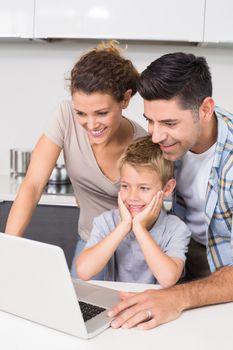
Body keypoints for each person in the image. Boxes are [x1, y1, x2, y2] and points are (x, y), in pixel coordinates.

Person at [107, 52, 233, 330]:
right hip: (185, 267)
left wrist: (178, 297)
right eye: (150, 121)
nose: (155, 136)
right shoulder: (169, 144)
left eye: (169, 123)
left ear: (205, 109)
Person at [4, 41, 147, 277]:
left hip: (136, 251)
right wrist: (8, 250)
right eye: (81, 113)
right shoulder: (64, 117)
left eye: (102, 113)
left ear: (125, 99)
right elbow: (32, 185)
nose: (91, 125)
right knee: (78, 311)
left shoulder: (142, 143)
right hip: (91, 243)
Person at [76, 136, 191, 287]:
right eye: (125, 186)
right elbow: (84, 271)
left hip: (155, 307)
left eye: (144, 188)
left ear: (167, 188)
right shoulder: (107, 222)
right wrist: (124, 226)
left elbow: (167, 278)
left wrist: (139, 228)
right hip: (116, 304)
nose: (132, 197)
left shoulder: (176, 229)